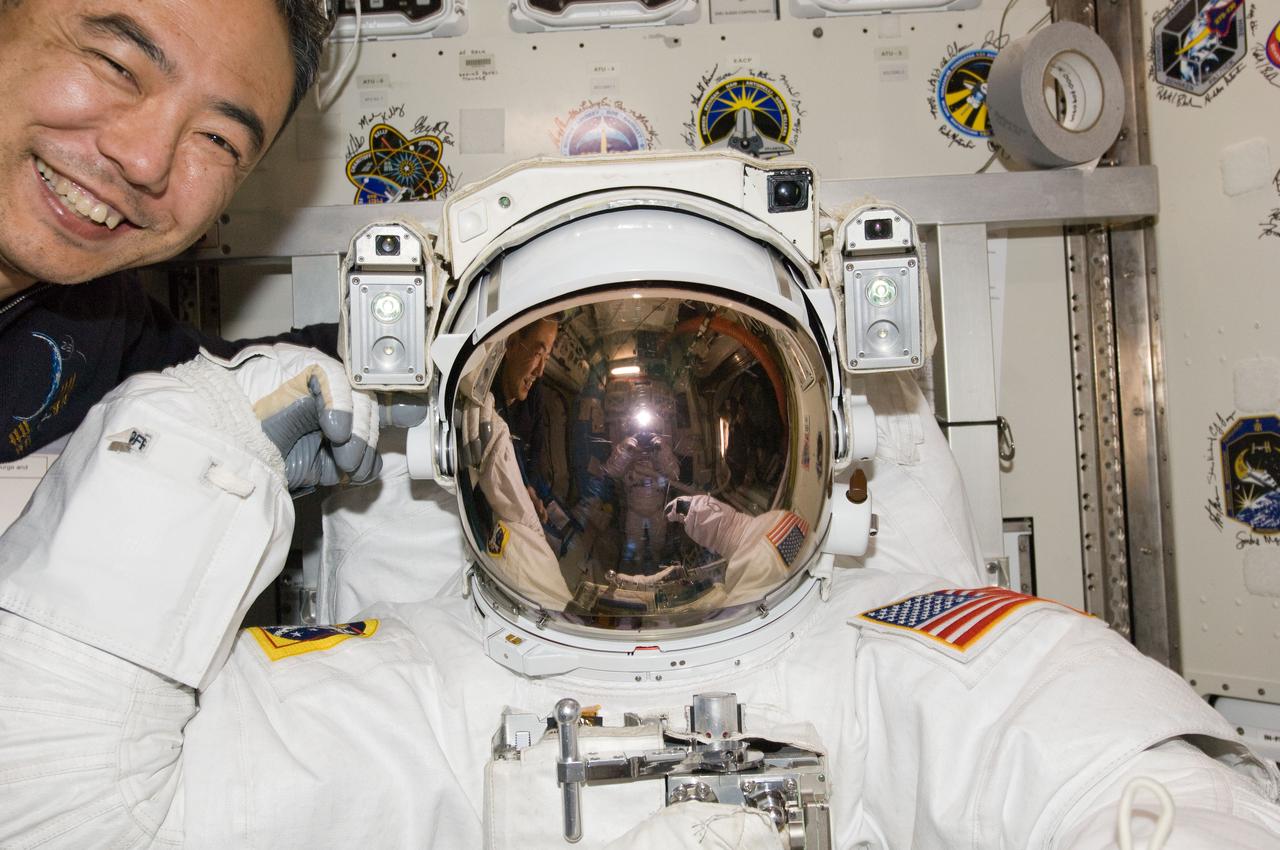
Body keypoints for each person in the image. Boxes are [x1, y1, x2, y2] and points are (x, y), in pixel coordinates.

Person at [1, 339, 1279, 848]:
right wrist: (190, 447)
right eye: (585, 429)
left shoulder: (902, 644)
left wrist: (726, 525)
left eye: (665, 425)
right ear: (476, 456)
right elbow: (64, 810)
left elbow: (1134, 803)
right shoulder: (422, 669)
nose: (628, 450)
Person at [0, 0, 338, 463]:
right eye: (116, 65)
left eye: (218, 139)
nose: (146, 162)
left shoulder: (94, 316)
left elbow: (225, 372)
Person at [494, 315, 559, 522]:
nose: (540, 371)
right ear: (512, 344)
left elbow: (537, 444)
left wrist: (529, 485)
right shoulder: (487, 402)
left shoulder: (534, 395)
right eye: (538, 353)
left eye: (546, 358)